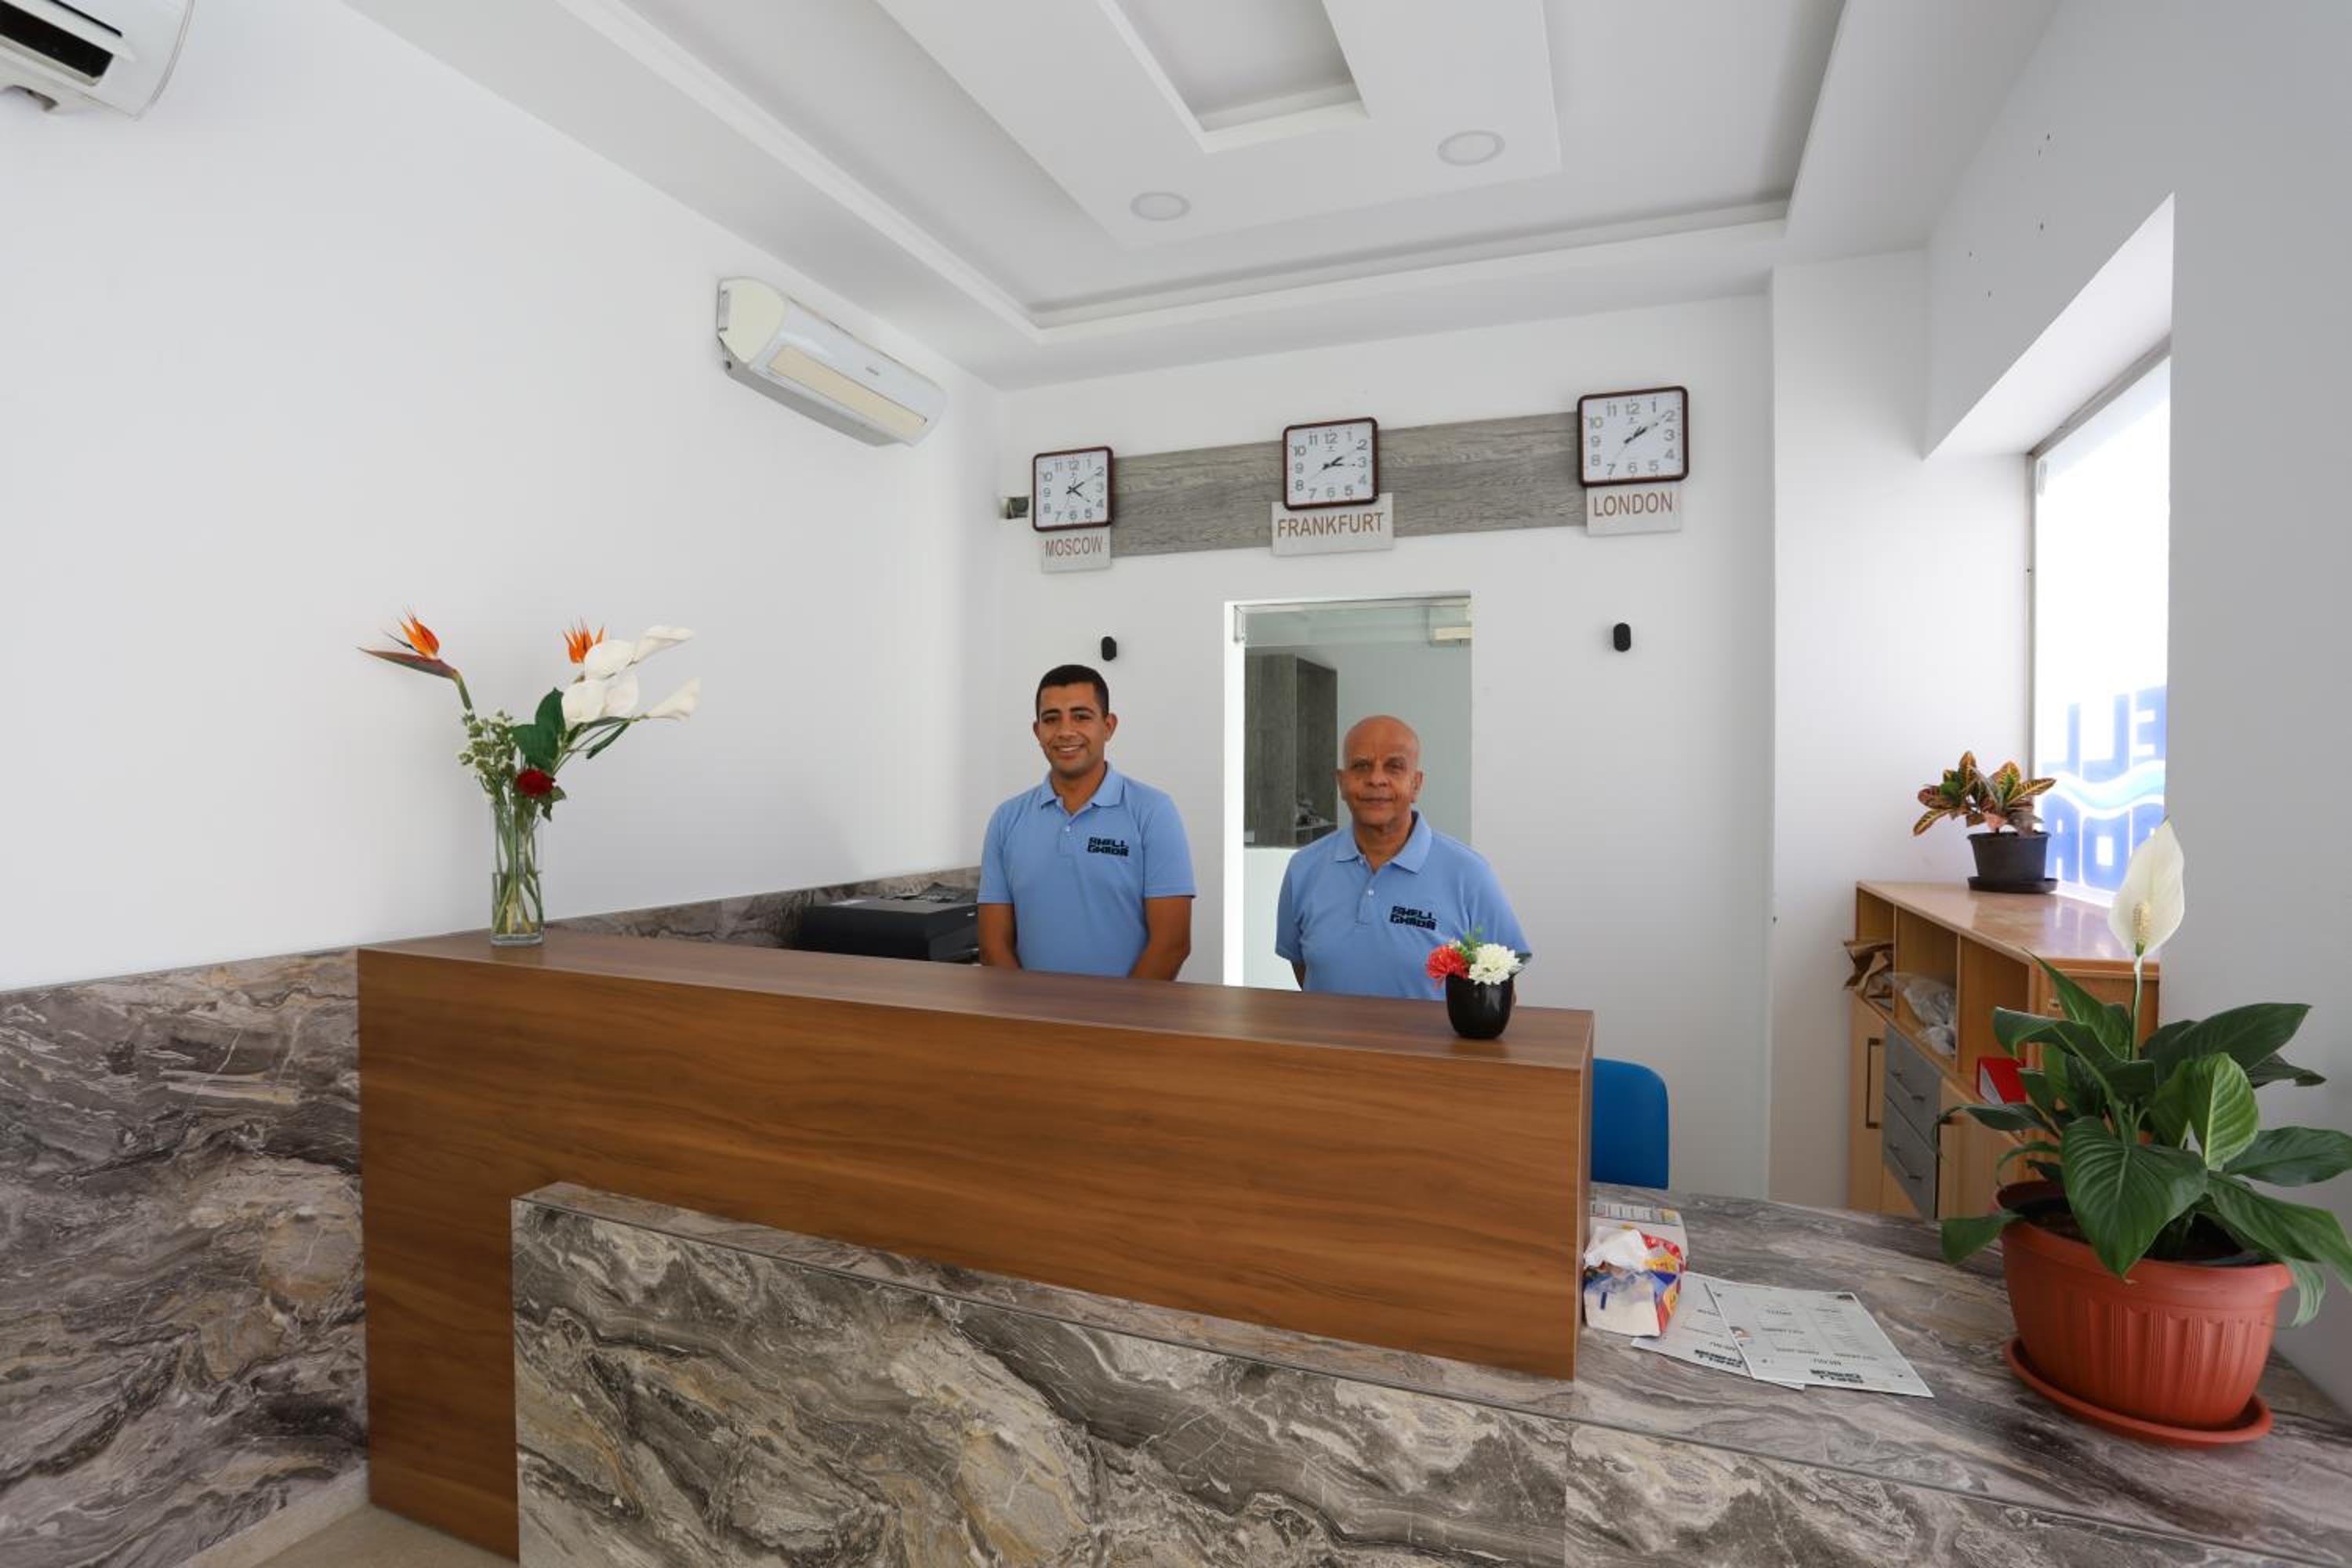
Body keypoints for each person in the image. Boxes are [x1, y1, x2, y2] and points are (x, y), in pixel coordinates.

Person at [1275, 714, 1526, 998]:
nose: (1376, 779)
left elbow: (1500, 990)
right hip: (1325, 1031)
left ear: (1416, 784)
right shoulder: (1304, 868)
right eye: (1361, 766)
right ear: (1342, 783)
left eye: (1394, 767)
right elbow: (1306, 969)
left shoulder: (1469, 874)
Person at [978, 664, 1194, 979]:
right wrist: (1026, 1009)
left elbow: (1172, 944)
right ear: (1037, 732)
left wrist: (1116, 1012)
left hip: (1127, 1011)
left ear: (1108, 726)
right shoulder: (1006, 820)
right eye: (1051, 719)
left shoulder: (1153, 813)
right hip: (1029, 1010)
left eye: (1081, 716)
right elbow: (992, 946)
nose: (1065, 731)